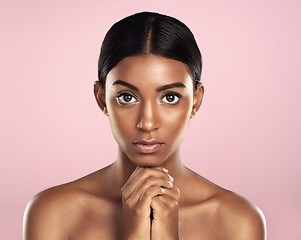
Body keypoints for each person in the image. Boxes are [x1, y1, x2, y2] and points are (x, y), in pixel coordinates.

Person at [23, 11, 266, 240]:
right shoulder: (52, 213)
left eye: (170, 97)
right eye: (127, 97)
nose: (147, 123)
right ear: (101, 99)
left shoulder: (238, 221)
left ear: (196, 101)